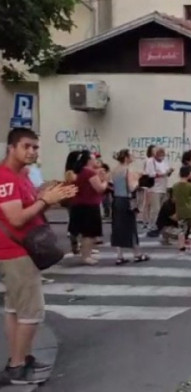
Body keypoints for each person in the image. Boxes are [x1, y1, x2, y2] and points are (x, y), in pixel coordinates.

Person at [0, 127, 76, 384]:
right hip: (16, 253)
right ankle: (18, 367)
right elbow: (16, 218)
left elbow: (32, 204)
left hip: (20, 251)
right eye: (26, 146)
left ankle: (19, 359)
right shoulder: (6, 178)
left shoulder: (21, 175)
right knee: (32, 312)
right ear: (12, 148)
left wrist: (51, 195)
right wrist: (46, 201)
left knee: (14, 309)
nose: (32, 152)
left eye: (35, 147)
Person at [111, 149, 149, 265]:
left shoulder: (115, 170)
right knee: (131, 227)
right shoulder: (128, 170)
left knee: (118, 228)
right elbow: (132, 187)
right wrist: (139, 180)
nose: (133, 157)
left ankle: (119, 255)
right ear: (126, 157)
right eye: (131, 155)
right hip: (127, 200)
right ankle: (137, 254)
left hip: (117, 199)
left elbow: (112, 185)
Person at [71, 151, 109, 265]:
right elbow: (99, 189)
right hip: (89, 205)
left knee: (86, 233)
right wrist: (105, 181)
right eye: (93, 159)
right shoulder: (89, 172)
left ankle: (86, 253)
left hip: (81, 204)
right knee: (90, 233)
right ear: (88, 160)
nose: (95, 161)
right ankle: (86, 256)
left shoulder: (81, 171)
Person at [145, 147, 173, 237]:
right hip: (154, 188)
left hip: (163, 187)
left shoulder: (165, 161)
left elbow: (167, 172)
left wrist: (169, 172)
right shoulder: (151, 161)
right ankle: (152, 226)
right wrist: (162, 174)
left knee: (162, 209)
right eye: (160, 154)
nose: (162, 156)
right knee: (155, 209)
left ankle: (160, 226)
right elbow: (150, 174)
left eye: (163, 154)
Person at [172, 166, 191, 252]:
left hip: (180, 210)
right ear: (189, 175)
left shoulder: (175, 186)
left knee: (181, 229)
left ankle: (181, 246)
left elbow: (174, 200)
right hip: (190, 209)